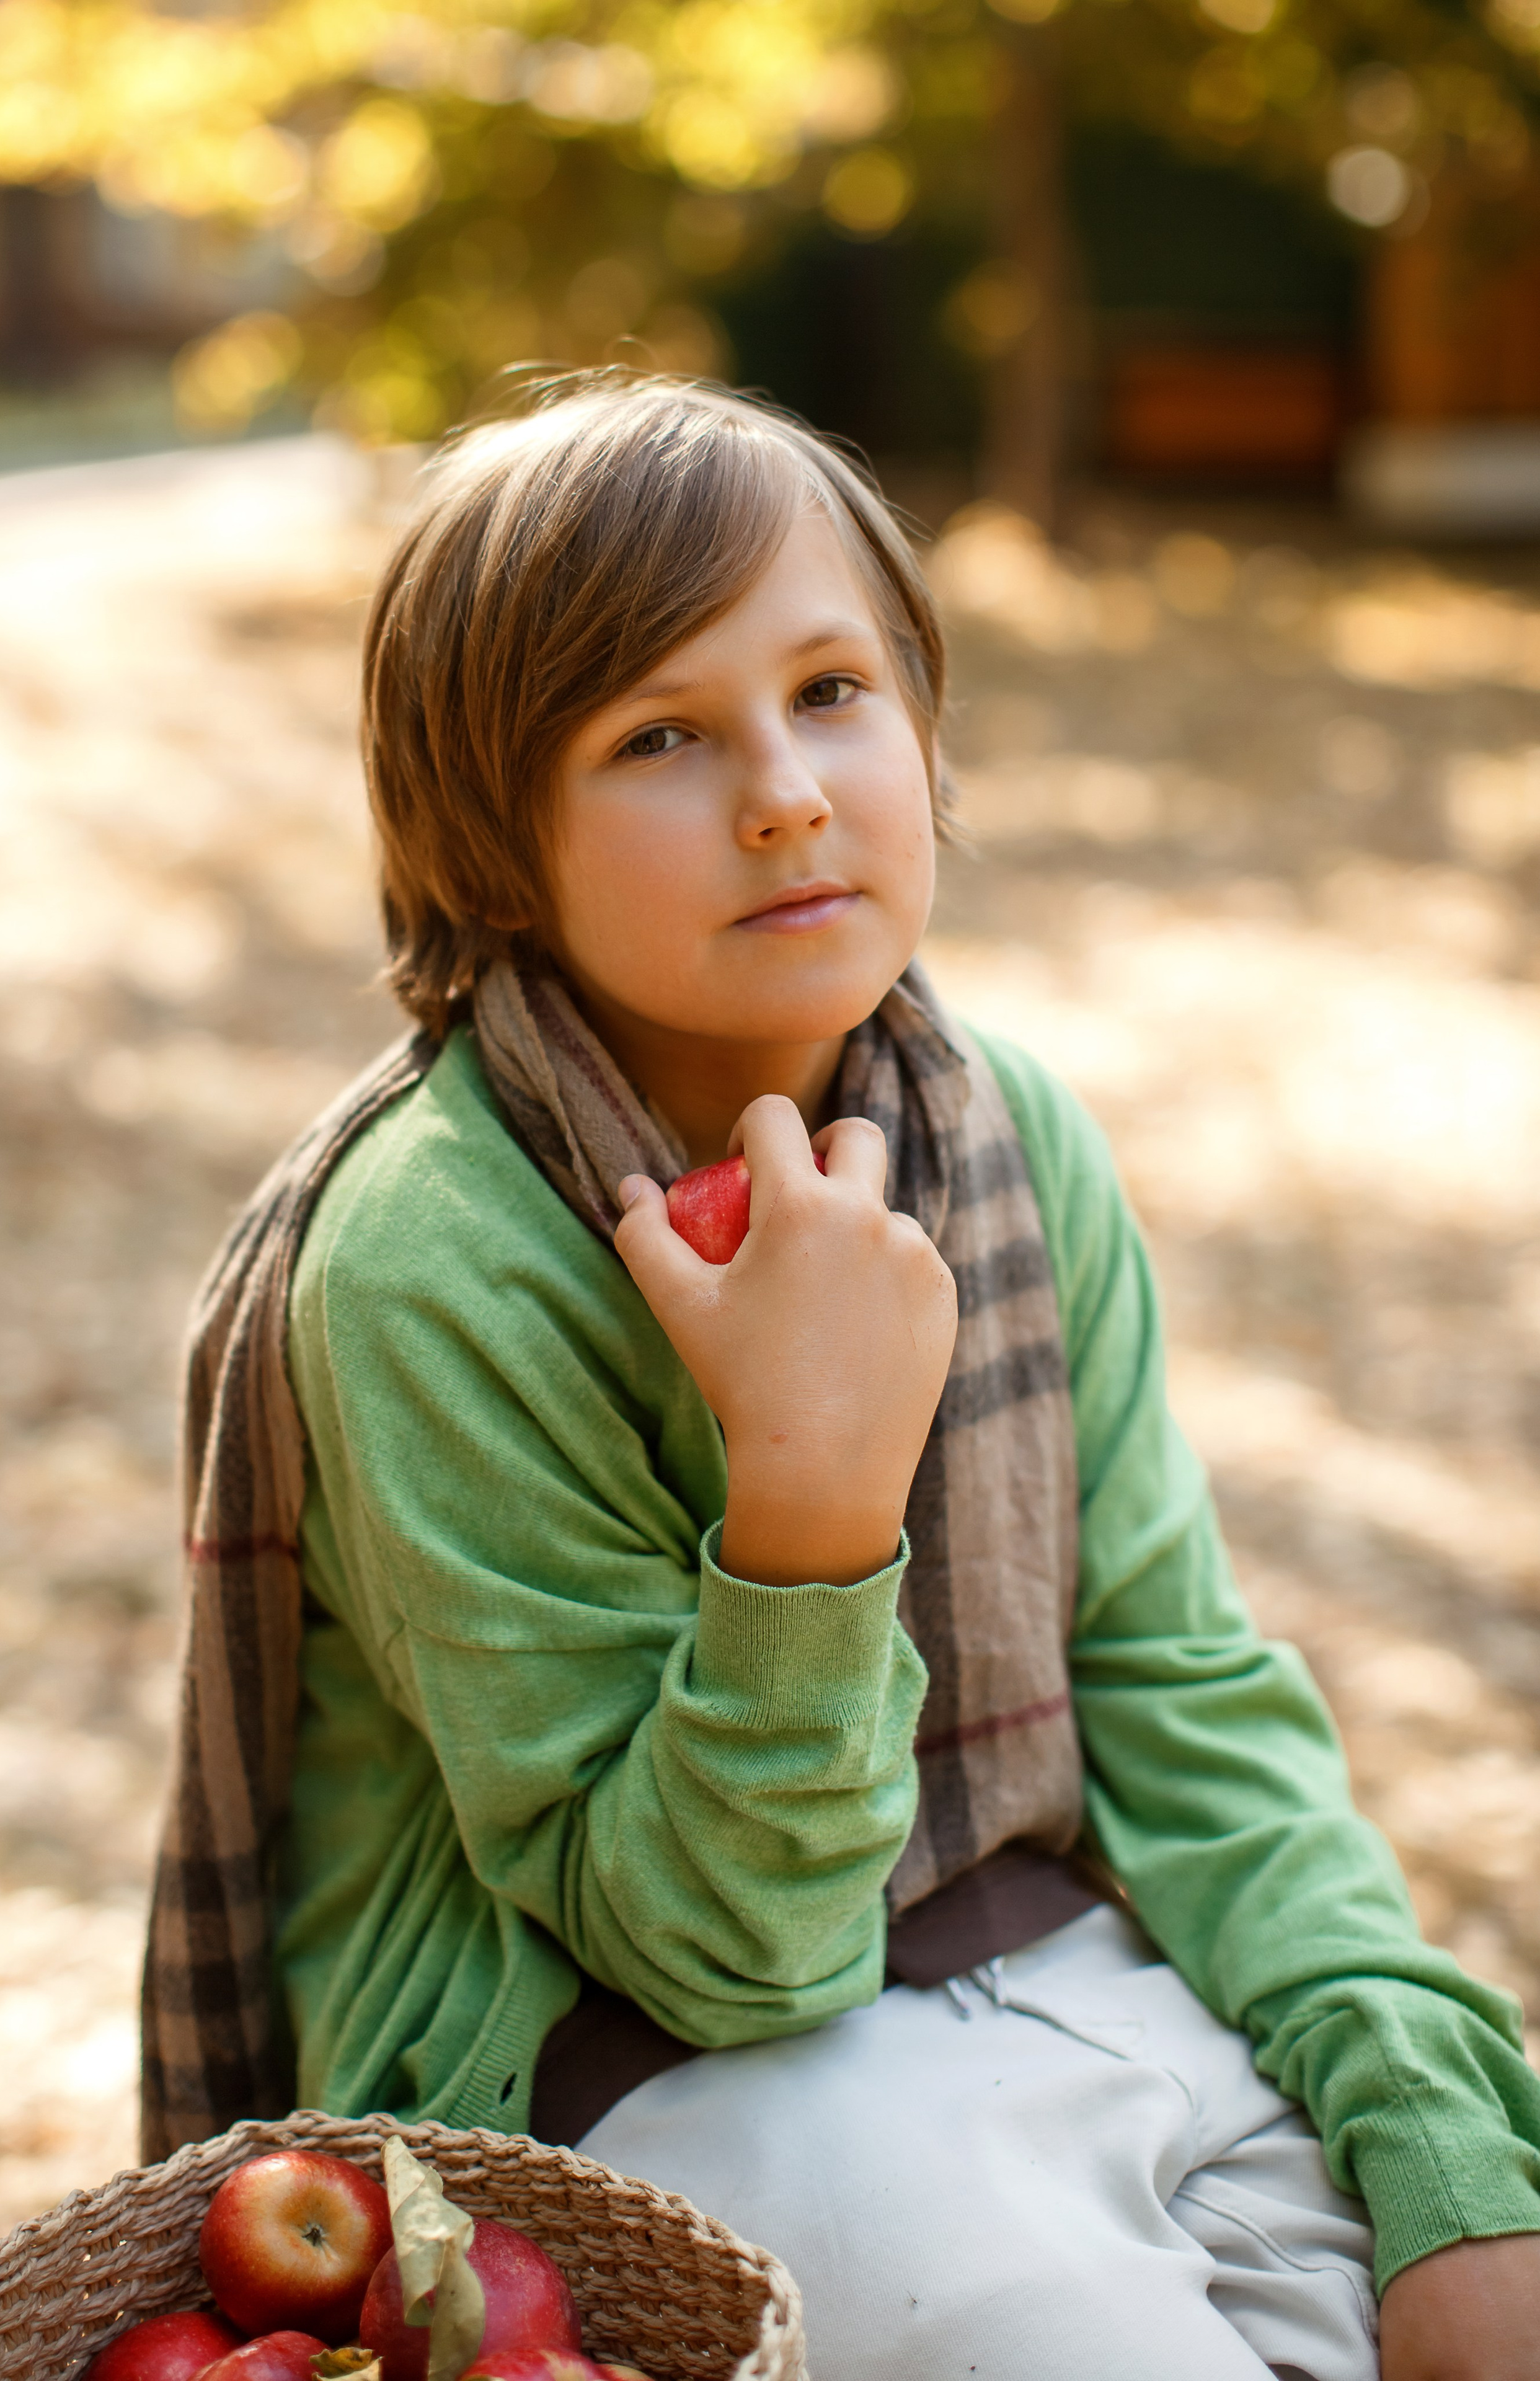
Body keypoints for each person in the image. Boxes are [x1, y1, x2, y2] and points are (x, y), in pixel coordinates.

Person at [143, 371, 1540, 2381]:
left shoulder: (1010, 1139)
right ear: (496, 849)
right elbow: (721, 1952)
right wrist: (810, 1501)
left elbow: (1178, 1682)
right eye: (658, 736)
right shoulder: (431, 1263)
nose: (786, 790)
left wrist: (1427, 2137)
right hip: (624, 2054)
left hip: (1047, 1944)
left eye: (833, 690)